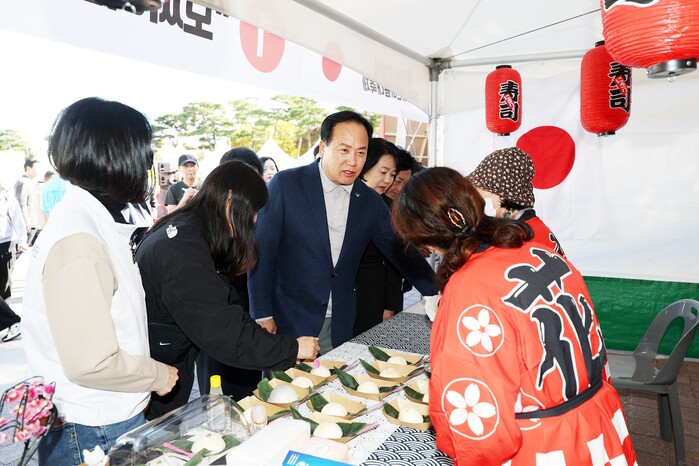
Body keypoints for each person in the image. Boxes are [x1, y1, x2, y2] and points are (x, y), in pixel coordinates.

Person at [391, 167, 636, 466]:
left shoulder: (471, 287)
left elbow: (476, 411)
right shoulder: (543, 253)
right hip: (600, 422)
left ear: (426, 240)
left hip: (545, 446)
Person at [22, 97, 178, 465]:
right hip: (93, 427)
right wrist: (157, 375)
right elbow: (91, 362)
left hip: (99, 418)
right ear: (118, 157)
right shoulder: (79, 237)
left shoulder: (89, 221)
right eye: (143, 151)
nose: (147, 162)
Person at [136, 161, 320, 419]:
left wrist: (273, 344)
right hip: (151, 378)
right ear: (230, 199)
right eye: (252, 210)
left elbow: (227, 309)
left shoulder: (192, 230)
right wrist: (291, 349)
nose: (254, 219)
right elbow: (223, 330)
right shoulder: (183, 249)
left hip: (163, 363)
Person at [248, 110, 438, 355]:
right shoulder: (286, 185)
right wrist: (262, 313)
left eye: (361, 152)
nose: (353, 161)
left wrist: (438, 292)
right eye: (344, 150)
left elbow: (400, 249)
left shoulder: (369, 201)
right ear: (323, 147)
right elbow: (262, 252)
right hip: (289, 320)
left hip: (340, 321)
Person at [196, 147, 265, 400]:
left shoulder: (256, 216)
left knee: (250, 392)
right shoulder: (203, 227)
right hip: (216, 321)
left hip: (247, 315)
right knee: (216, 393)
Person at [467, 146, 565, 255]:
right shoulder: (531, 227)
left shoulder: (516, 238)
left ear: (502, 194)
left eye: (478, 191)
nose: (475, 199)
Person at [353, 138, 404, 336]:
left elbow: (395, 262)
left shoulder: (388, 207)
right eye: (383, 172)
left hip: (373, 293)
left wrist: (390, 305)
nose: (388, 181)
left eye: (392, 175)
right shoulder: (344, 200)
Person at [0, 183, 27, 300]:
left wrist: (22, 240)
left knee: (4, 280)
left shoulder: (8, 199)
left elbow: (18, 221)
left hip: (5, 244)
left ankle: (5, 307)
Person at [14, 158, 41, 245]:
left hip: (34, 223)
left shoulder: (30, 182)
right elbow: (21, 204)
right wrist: (26, 221)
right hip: (28, 225)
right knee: (24, 249)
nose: (39, 171)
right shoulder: (22, 182)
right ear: (28, 168)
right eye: (37, 168)